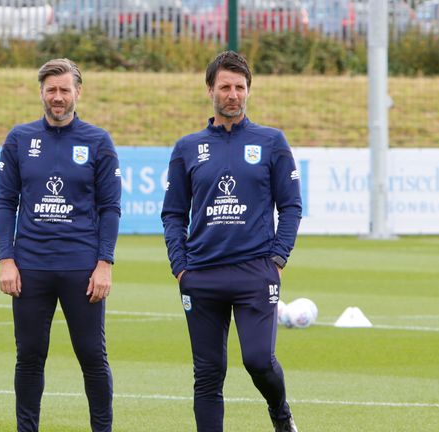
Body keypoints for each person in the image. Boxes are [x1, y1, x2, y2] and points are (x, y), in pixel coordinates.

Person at [161, 51, 302, 432]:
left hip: (255, 271)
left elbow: (291, 206)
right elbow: (173, 213)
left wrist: (278, 258)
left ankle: (280, 412)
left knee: (258, 360)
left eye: (240, 87)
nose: (233, 94)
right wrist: (181, 266)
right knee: (208, 374)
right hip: (201, 274)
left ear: (248, 91)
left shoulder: (271, 142)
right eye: (225, 86)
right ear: (210, 90)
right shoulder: (188, 148)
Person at [0, 58, 121, 432]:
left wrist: (104, 263)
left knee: (92, 356)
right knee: (30, 357)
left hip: (81, 268)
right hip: (30, 267)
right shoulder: (19, 139)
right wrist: (6, 258)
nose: (58, 97)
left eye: (65, 90)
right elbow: (6, 203)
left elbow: (110, 207)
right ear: (41, 92)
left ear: (78, 92)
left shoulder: (97, 141)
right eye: (51, 90)